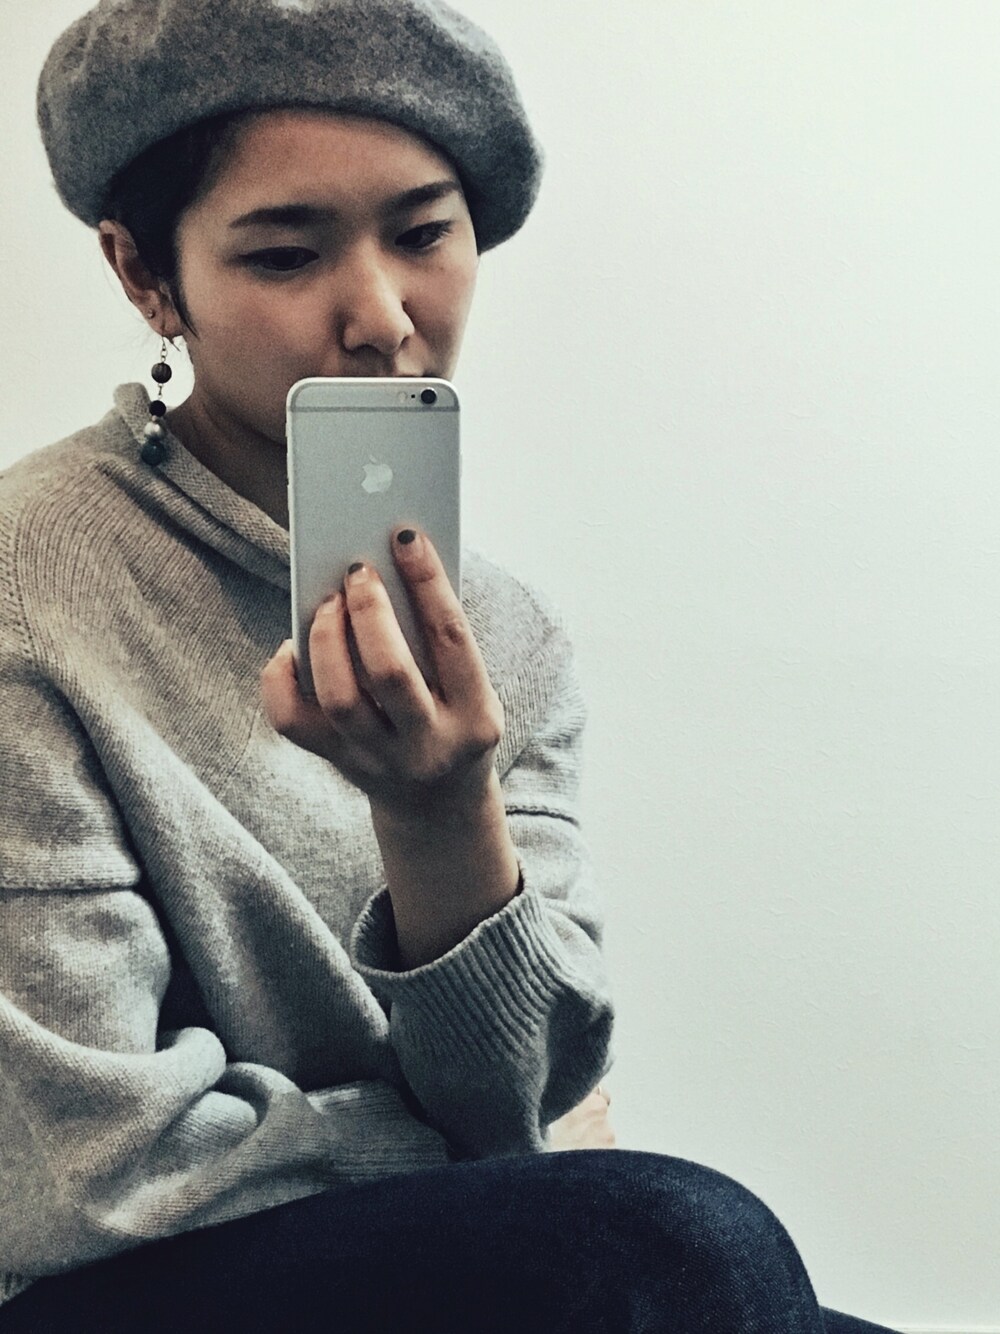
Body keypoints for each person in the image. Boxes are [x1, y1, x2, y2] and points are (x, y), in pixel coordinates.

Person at [0, 1, 898, 1329]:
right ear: (146, 276)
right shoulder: (28, 588)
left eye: (424, 234)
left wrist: (439, 812)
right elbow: (78, 1175)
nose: (380, 316)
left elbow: (525, 1094)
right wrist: (491, 1153)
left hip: (442, 1265)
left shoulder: (504, 631)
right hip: (113, 1288)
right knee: (686, 1243)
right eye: (286, 253)